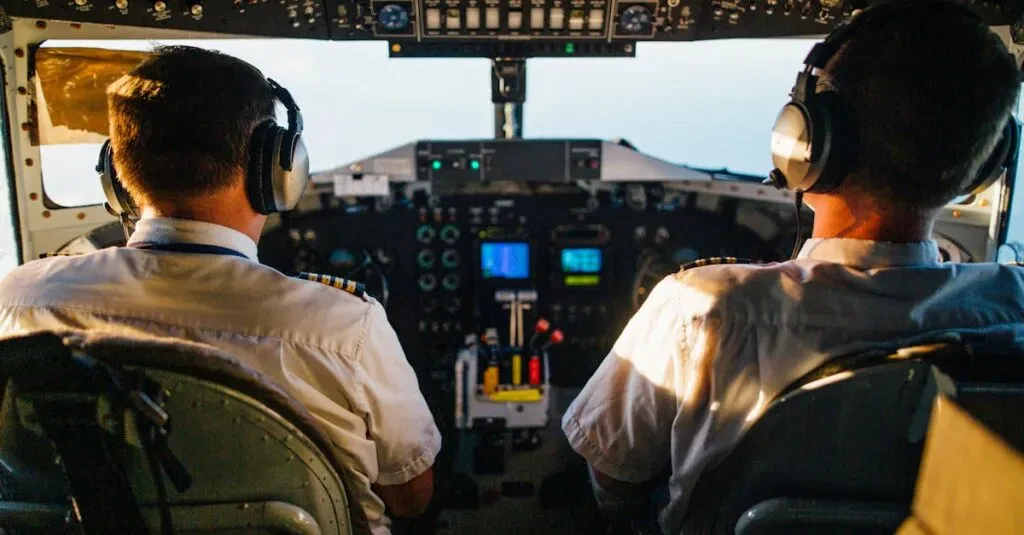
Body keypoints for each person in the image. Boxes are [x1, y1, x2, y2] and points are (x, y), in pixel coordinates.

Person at [561, 2, 1024, 534]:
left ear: (807, 145)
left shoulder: (704, 311)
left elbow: (614, 479)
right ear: (986, 160)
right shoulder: (1013, 306)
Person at [0, 46, 438, 534]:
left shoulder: (20, 301)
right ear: (278, 170)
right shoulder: (343, 328)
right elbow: (411, 498)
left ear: (117, 174)